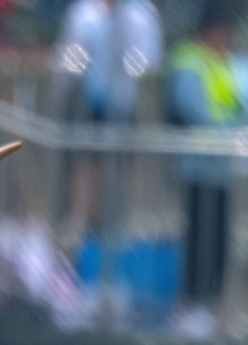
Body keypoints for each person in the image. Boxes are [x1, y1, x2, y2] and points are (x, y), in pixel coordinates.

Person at [169, 1, 248, 337]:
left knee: (219, 242)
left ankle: (215, 310)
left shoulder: (222, 63)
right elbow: (196, 113)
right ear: (212, 32)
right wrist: (239, 132)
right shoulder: (188, 62)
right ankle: (192, 310)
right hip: (198, 168)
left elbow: (237, 107)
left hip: (221, 170)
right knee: (199, 240)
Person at [53, 0, 163, 242]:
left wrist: (131, 63)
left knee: (118, 167)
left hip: (123, 102)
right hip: (87, 100)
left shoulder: (140, 14)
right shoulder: (84, 12)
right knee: (84, 164)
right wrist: (66, 82)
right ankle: (81, 225)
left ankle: (114, 226)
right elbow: (69, 53)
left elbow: (149, 58)